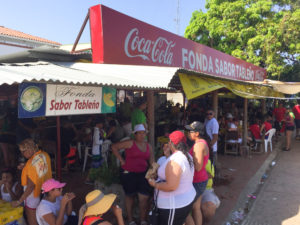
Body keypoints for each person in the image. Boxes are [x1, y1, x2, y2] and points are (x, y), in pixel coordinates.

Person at [148, 131, 196, 225]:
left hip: (173, 205)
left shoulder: (175, 160)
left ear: (170, 142)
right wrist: (167, 156)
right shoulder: (186, 155)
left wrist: (155, 184)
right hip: (184, 200)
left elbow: (171, 186)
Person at [112, 124, 154, 225]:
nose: (142, 135)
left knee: (144, 197)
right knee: (130, 196)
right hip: (129, 173)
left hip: (143, 173)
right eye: (139, 133)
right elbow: (114, 147)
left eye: (143, 133)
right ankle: (131, 220)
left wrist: (154, 171)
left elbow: (152, 161)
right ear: (135, 135)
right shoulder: (130, 143)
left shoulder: (148, 146)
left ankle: (143, 220)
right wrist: (122, 160)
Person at [12, 138, 52, 225]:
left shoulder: (31, 163)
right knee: (41, 218)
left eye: (23, 151)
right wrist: (25, 167)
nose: (22, 154)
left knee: (32, 220)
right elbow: (39, 170)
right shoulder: (44, 155)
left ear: (30, 149)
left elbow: (31, 186)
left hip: (33, 196)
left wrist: (20, 201)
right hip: (45, 192)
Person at [185, 121, 209, 225]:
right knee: (196, 207)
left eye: (191, 131)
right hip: (200, 179)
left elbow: (198, 167)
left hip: (197, 180)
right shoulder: (202, 143)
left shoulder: (198, 146)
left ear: (197, 133)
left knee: (184, 211)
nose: (189, 133)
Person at [201, 159, 220, 224]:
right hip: (188, 191)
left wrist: (198, 169)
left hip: (205, 189)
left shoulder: (207, 161)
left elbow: (211, 175)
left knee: (209, 207)